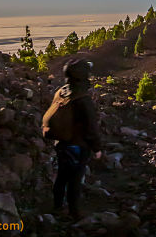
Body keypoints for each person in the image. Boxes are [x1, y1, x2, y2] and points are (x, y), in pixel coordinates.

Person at [42, 57, 102, 220]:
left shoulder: (62, 91)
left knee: (62, 175)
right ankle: (74, 212)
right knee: (75, 179)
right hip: (77, 146)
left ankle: (57, 206)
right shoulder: (83, 98)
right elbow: (91, 127)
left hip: (61, 143)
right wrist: (97, 148)